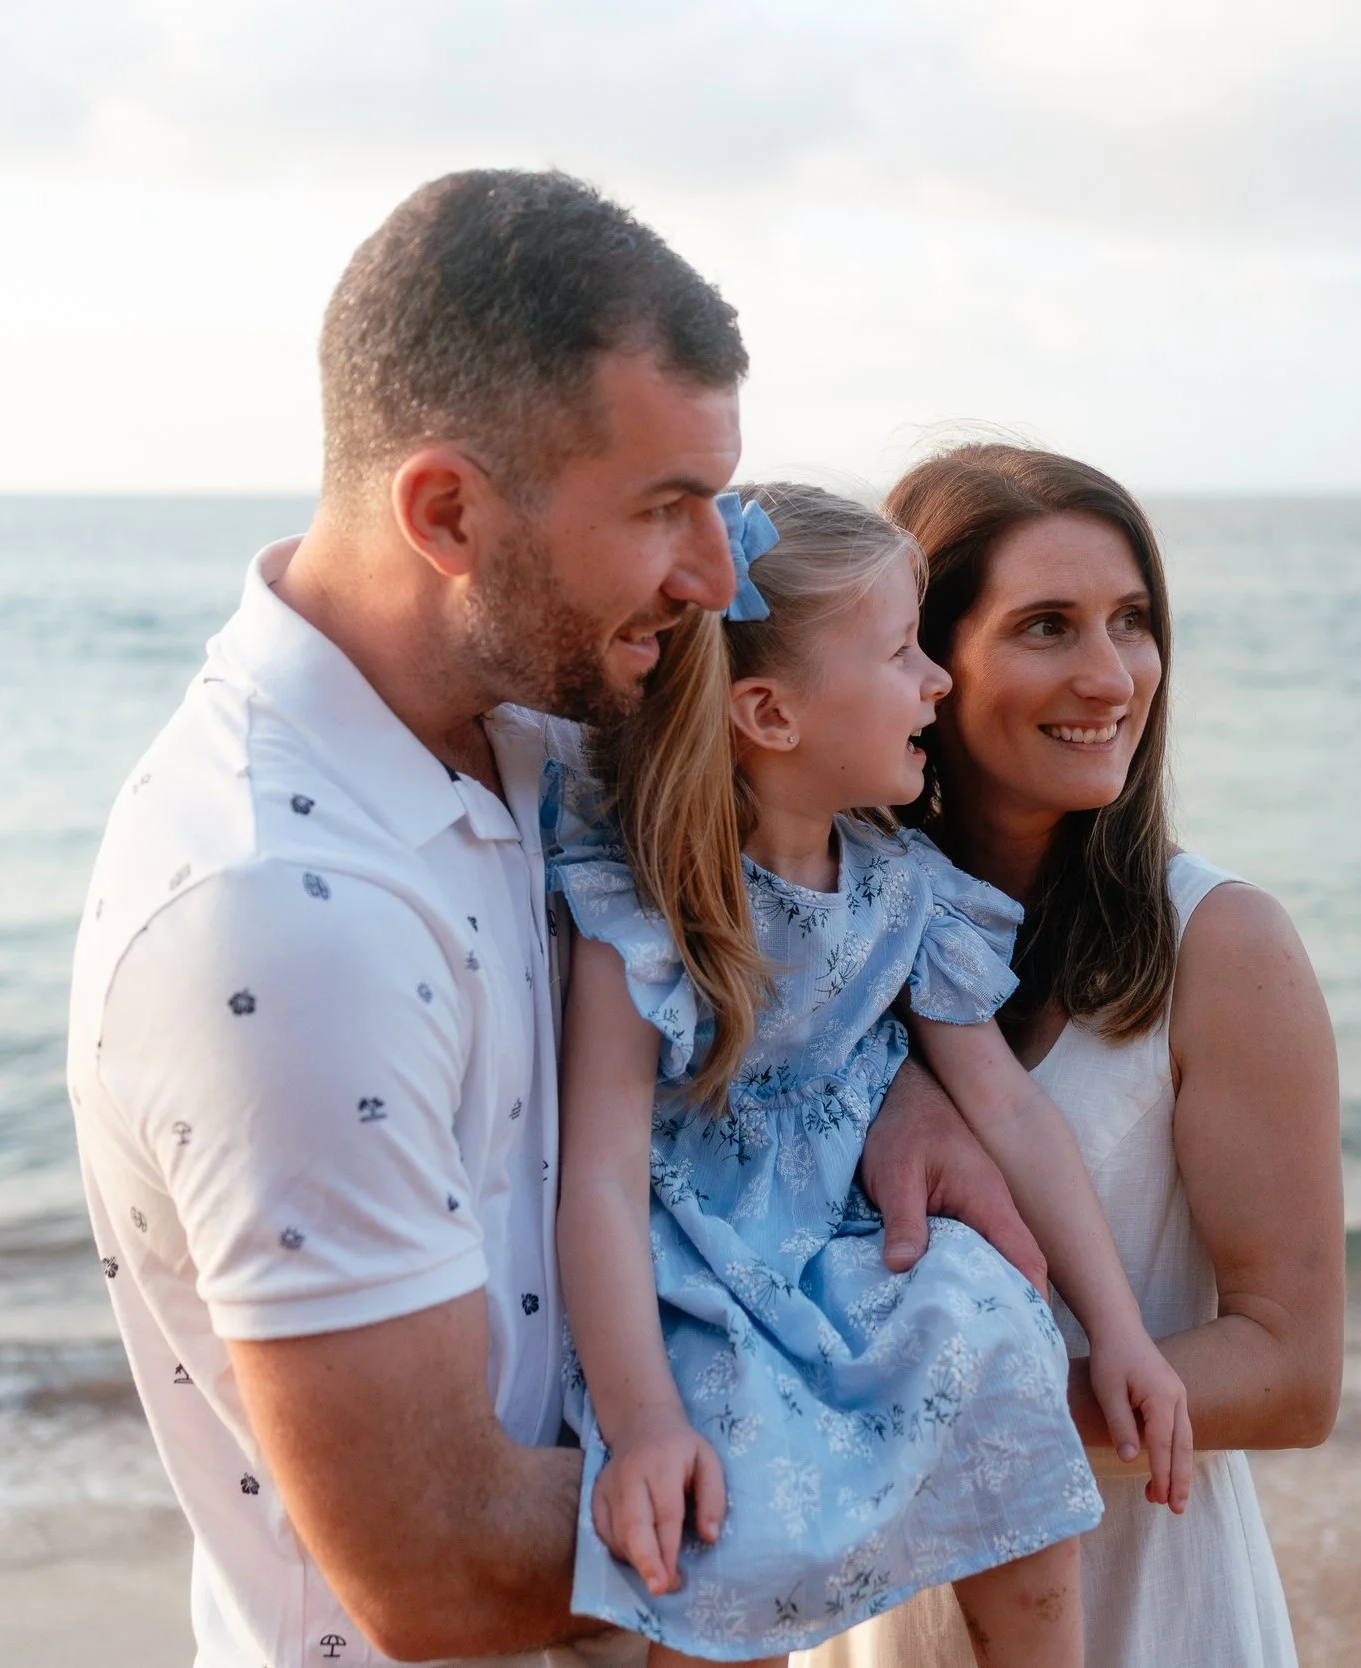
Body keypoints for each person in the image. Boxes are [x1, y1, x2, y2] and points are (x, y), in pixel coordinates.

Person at [66, 172, 1045, 1668]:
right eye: (663, 514)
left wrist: (890, 1085)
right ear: (448, 513)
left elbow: (750, 938)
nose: (719, 582)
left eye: (715, 505)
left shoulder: (553, 726)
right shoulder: (281, 923)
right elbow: (439, 1568)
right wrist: (981, 1439)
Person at [548, 484, 1194, 1667]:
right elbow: (597, 1175)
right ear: (769, 714)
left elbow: (1006, 1106)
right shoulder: (644, 910)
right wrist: (639, 1419)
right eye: (902, 654)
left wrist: (1122, 1333)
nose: (936, 683)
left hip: (853, 1255)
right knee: (718, 1504)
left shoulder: (901, 888)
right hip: (704, 1276)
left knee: (991, 1320)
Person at [799, 446, 1345, 1668]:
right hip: (877, 1617)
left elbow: (1292, 1369)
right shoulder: (814, 943)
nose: (1112, 677)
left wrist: (916, 1419)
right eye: (1048, 627)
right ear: (921, 660)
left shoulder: (1219, 943)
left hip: (1143, 1612)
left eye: (1133, 623)